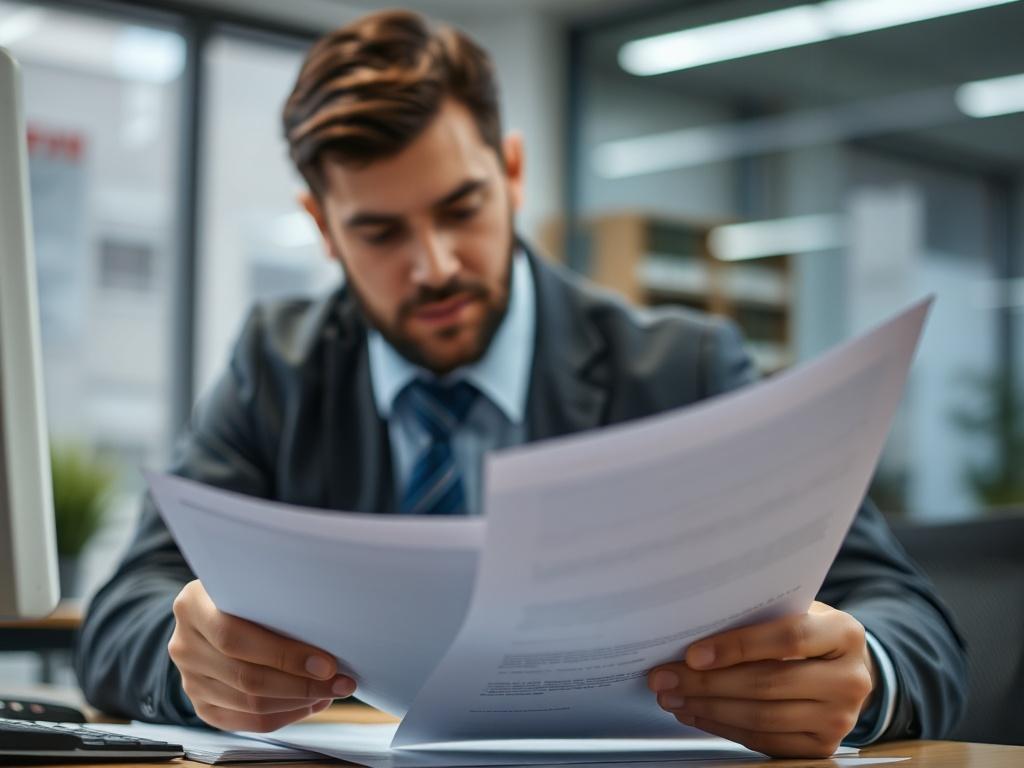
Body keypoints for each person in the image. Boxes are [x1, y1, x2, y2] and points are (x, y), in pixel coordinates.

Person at [75, 9, 967, 759]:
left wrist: (864, 676)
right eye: (381, 232)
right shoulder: (278, 367)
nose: (435, 267)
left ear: (510, 172)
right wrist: (192, 658)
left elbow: (910, 620)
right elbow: (124, 613)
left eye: (461, 208)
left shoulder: (681, 368)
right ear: (323, 226)